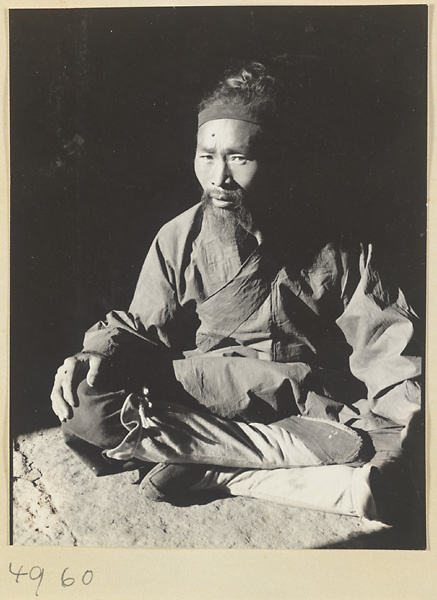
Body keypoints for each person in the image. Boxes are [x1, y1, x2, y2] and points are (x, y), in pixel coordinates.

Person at [51, 62, 423, 524]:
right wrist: (95, 355)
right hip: (208, 396)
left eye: (238, 158)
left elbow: (386, 344)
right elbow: (143, 327)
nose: (218, 177)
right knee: (86, 403)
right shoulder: (179, 237)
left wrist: (398, 433)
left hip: (304, 398)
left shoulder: (337, 245)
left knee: (403, 433)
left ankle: (211, 466)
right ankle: (246, 468)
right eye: (206, 157)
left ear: (275, 158)